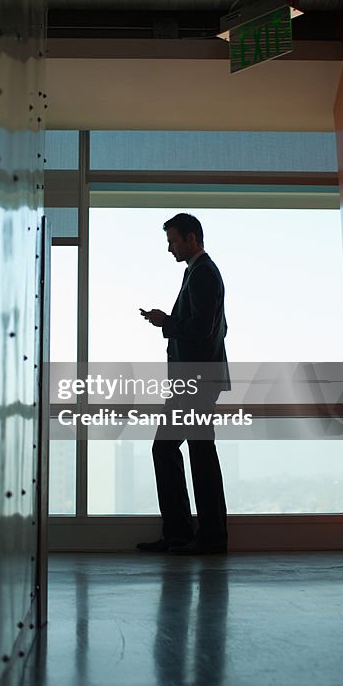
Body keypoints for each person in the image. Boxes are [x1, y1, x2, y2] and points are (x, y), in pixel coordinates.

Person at [138, 213, 229, 555]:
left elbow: (203, 328)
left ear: (192, 238)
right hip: (198, 380)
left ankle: (191, 535)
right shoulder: (199, 272)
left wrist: (167, 322)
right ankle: (201, 536)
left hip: (196, 381)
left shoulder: (203, 273)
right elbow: (217, 329)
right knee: (198, 453)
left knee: (172, 449)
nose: (169, 248)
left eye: (173, 240)